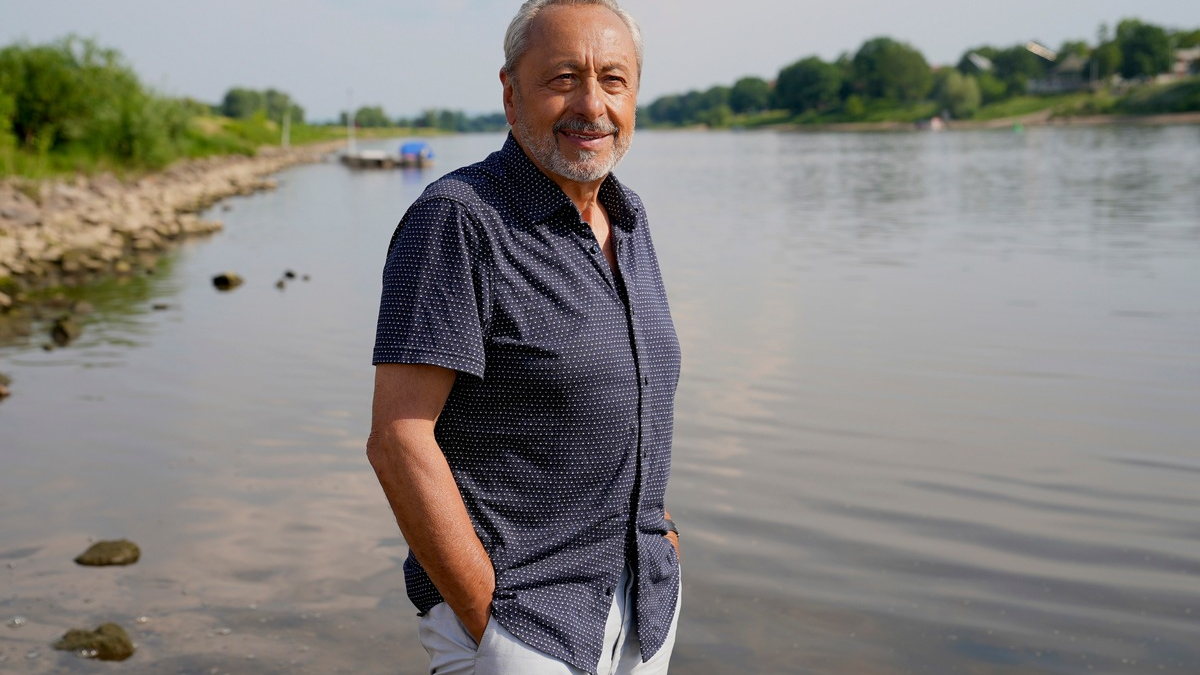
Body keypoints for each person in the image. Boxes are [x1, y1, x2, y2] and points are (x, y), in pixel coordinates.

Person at [367, 1, 681, 673]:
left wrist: (663, 539)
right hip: (525, 624)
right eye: (564, 77)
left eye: (614, 79)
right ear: (511, 94)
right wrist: (491, 621)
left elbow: (633, 392)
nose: (591, 104)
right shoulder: (457, 222)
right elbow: (398, 439)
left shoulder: (627, 217)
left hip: (642, 611)